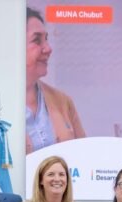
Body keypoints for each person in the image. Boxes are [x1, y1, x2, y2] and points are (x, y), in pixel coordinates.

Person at [26, 7, 85, 154]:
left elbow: (85, 158)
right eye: (36, 40)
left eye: (46, 39)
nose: (48, 48)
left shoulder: (63, 101)